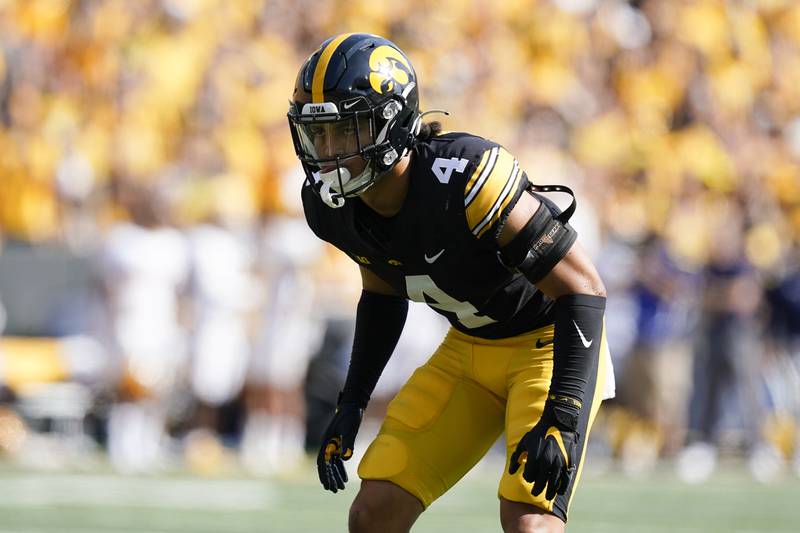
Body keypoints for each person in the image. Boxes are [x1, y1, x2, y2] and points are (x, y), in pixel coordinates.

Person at [287, 33, 614, 533]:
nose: (328, 152)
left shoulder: (464, 178)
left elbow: (584, 288)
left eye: (345, 131)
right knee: (373, 513)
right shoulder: (333, 208)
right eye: (320, 134)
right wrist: (351, 402)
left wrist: (563, 415)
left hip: (549, 345)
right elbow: (382, 291)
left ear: (390, 123)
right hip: (467, 350)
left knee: (530, 522)